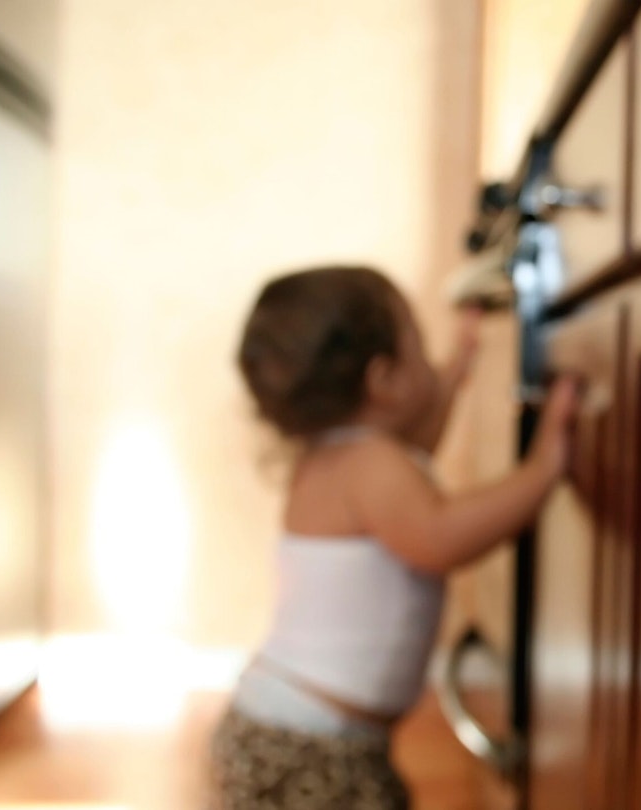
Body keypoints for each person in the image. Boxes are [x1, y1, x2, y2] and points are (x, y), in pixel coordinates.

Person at [209, 265, 577, 809]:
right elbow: (441, 535)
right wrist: (542, 471)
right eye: (420, 348)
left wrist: (455, 373)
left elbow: (419, 451)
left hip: (292, 729)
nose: (430, 363)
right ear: (383, 380)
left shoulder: (344, 457)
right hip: (311, 748)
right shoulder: (372, 467)